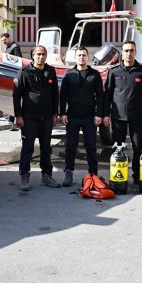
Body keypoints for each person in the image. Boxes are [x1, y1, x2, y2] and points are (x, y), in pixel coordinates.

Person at [104, 40, 142, 194]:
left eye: (131, 50)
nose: (128, 53)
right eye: (126, 50)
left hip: (137, 117)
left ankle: (138, 177)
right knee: (117, 148)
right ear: (122, 53)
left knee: (138, 147)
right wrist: (106, 114)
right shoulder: (114, 71)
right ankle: (118, 177)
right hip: (118, 117)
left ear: (135, 52)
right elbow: (107, 95)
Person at [13, 45, 61, 191]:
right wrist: (18, 116)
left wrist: (55, 113)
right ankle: (24, 176)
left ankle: (46, 175)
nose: (41, 57)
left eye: (43, 54)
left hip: (46, 118)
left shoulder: (50, 71)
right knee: (27, 148)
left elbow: (55, 94)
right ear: (32, 56)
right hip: (29, 118)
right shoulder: (24, 72)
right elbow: (17, 96)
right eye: (38, 54)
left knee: (46, 148)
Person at [59, 47, 104, 187]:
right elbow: (63, 95)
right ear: (75, 57)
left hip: (89, 117)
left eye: (84, 55)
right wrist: (63, 113)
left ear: (88, 57)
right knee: (70, 146)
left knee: (91, 146)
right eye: (79, 55)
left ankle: (93, 174)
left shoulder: (94, 74)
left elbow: (100, 96)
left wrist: (99, 114)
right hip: (73, 116)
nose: (81, 57)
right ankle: (68, 172)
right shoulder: (69, 74)